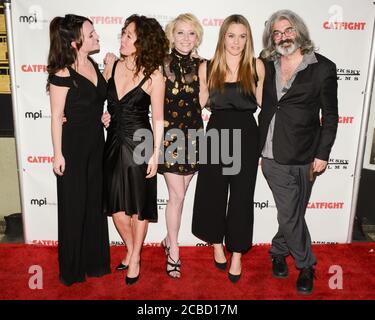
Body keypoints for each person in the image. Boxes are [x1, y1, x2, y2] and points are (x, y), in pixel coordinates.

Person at [259, 10, 338, 295]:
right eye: (277, 33)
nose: (283, 37)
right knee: (291, 213)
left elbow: (330, 116)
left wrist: (323, 154)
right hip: (271, 154)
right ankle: (307, 265)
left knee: (291, 213)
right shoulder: (266, 64)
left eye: (288, 30)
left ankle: (278, 251)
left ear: (299, 31)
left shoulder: (323, 68)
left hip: (306, 155)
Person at [192, 14, 264, 283]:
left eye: (242, 36)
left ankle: (237, 253)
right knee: (213, 192)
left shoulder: (256, 66)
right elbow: (197, 104)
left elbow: (265, 105)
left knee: (242, 196)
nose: (237, 42)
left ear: (249, 39)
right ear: (223, 36)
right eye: (231, 35)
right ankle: (216, 244)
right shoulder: (207, 68)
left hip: (246, 134)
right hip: (217, 133)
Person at [102, 14, 168, 285]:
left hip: (141, 143)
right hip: (113, 143)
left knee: (138, 207)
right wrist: (102, 116)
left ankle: (135, 257)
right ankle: (132, 249)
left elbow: (159, 119)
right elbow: (101, 103)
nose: (123, 39)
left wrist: (156, 154)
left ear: (143, 43)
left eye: (129, 35)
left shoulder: (155, 76)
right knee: (116, 208)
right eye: (124, 33)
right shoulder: (112, 66)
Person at [47, 14, 111, 286]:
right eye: (91, 32)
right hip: (72, 147)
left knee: (94, 205)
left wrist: (102, 116)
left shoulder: (93, 64)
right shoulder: (62, 73)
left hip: (97, 143)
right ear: (75, 41)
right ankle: (72, 269)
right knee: (74, 207)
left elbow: (96, 97)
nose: (96, 35)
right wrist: (57, 154)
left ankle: (94, 263)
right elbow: (56, 116)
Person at [158, 13, 204, 279]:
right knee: (176, 196)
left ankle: (167, 238)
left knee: (181, 195)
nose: (186, 38)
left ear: (197, 36)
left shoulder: (203, 65)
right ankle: (174, 250)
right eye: (180, 33)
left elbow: (208, 99)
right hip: (170, 138)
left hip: (196, 137)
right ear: (171, 36)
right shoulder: (161, 64)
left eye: (191, 33)